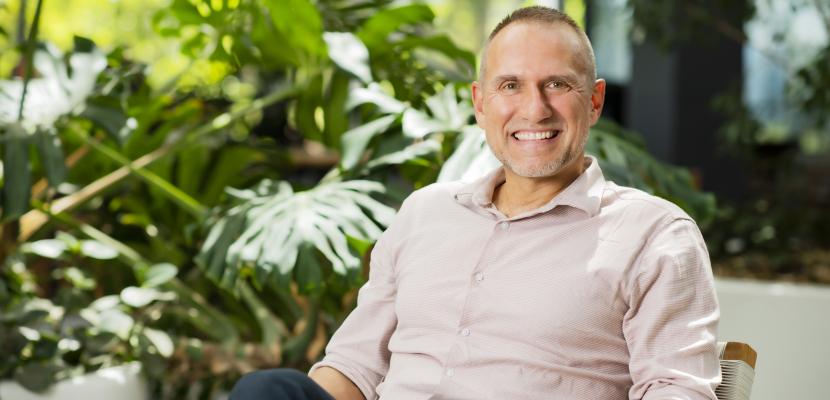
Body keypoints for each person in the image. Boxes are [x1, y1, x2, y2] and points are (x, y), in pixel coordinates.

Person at [230, 5, 721, 400]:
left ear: (593, 101)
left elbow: (677, 389)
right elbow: (356, 367)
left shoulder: (654, 234)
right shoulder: (426, 213)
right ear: (480, 103)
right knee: (267, 390)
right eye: (510, 85)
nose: (535, 108)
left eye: (556, 84)